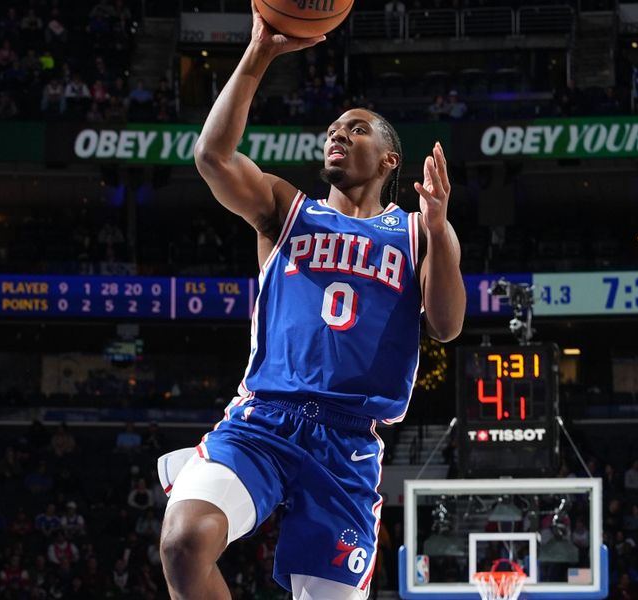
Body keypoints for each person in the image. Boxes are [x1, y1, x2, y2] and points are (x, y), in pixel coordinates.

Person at [157, 4, 465, 600]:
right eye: (331, 130)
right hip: (263, 421)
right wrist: (259, 53)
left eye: (355, 129)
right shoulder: (285, 209)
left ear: (388, 160)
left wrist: (440, 227)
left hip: (347, 444)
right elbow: (212, 158)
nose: (337, 136)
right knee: (184, 542)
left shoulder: (417, 229)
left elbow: (447, 327)